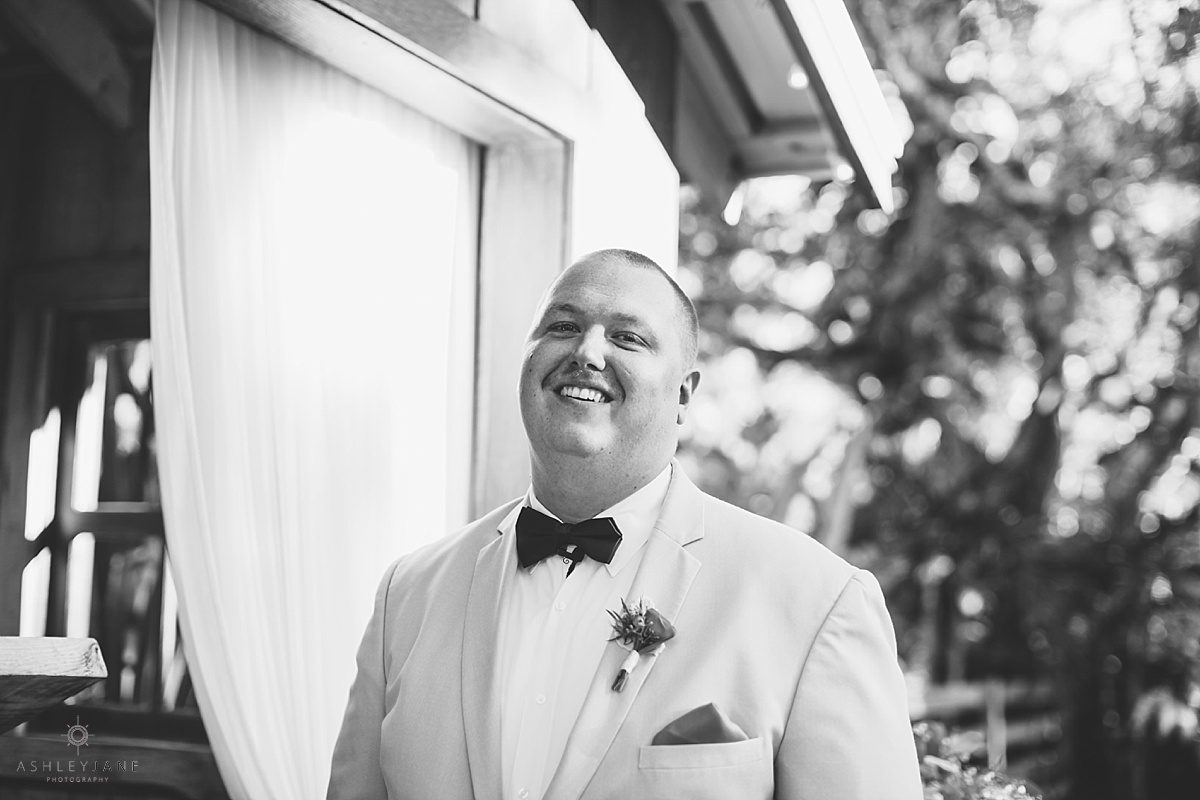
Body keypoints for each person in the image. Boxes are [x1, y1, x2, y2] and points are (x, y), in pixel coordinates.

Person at [327, 248, 922, 800]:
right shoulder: (408, 594)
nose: (587, 352)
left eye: (627, 337)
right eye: (562, 326)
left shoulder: (817, 602)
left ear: (685, 396)